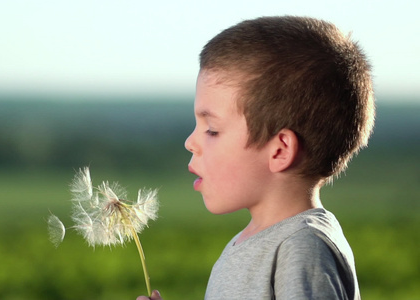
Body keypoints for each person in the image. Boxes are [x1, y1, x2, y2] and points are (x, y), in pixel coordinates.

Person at [137, 15, 374, 300]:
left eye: (212, 130)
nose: (191, 142)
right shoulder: (251, 242)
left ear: (280, 151)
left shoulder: (302, 246)